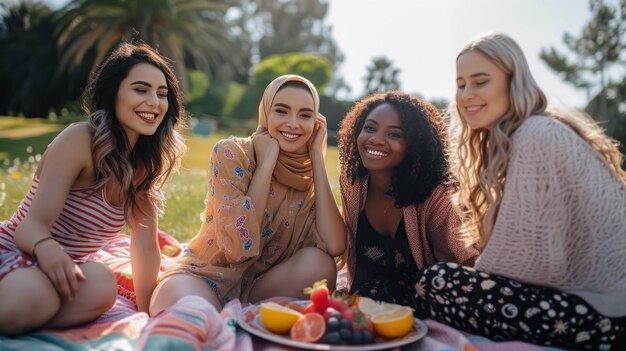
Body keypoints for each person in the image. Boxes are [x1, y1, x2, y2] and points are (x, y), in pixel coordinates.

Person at [413, 32, 626, 350]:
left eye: (481, 81)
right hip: (596, 306)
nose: (466, 94)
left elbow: (537, 262)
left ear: (514, 82)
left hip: (605, 316)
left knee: (435, 282)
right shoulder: (536, 129)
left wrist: (476, 281)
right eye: (461, 84)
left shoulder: (534, 133)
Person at [0, 43, 186, 335]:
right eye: (141, 89)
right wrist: (49, 250)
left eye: (161, 94)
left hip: (66, 274)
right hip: (17, 252)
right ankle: (24, 310)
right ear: (113, 94)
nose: (154, 102)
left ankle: (26, 317)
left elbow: (146, 247)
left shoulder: (143, 167)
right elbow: (28, 227)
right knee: (31, 293)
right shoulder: (81, 139)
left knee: (102, 284)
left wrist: (148, 312)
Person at [149, 75, 346, 315]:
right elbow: (238, 247)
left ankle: (245, 317)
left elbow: (335, 246)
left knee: (321, 264)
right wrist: (265, 166)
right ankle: (228, 322)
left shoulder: (306, 176)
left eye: (305, 115)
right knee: (195, 316)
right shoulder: (232, 153)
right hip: (205, 277)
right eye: (281, 111)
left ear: (316, 123)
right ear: (265, 112)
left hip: (260, 288)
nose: (293, 123)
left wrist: (317, 157)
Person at [336, 91, 479, 307]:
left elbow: (464, 263)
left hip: (431, 301)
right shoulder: (353, 183)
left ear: (414, 144)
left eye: (394, 134)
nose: (375, 139)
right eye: (370, 128)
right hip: (368, 300)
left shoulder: (437, 193)